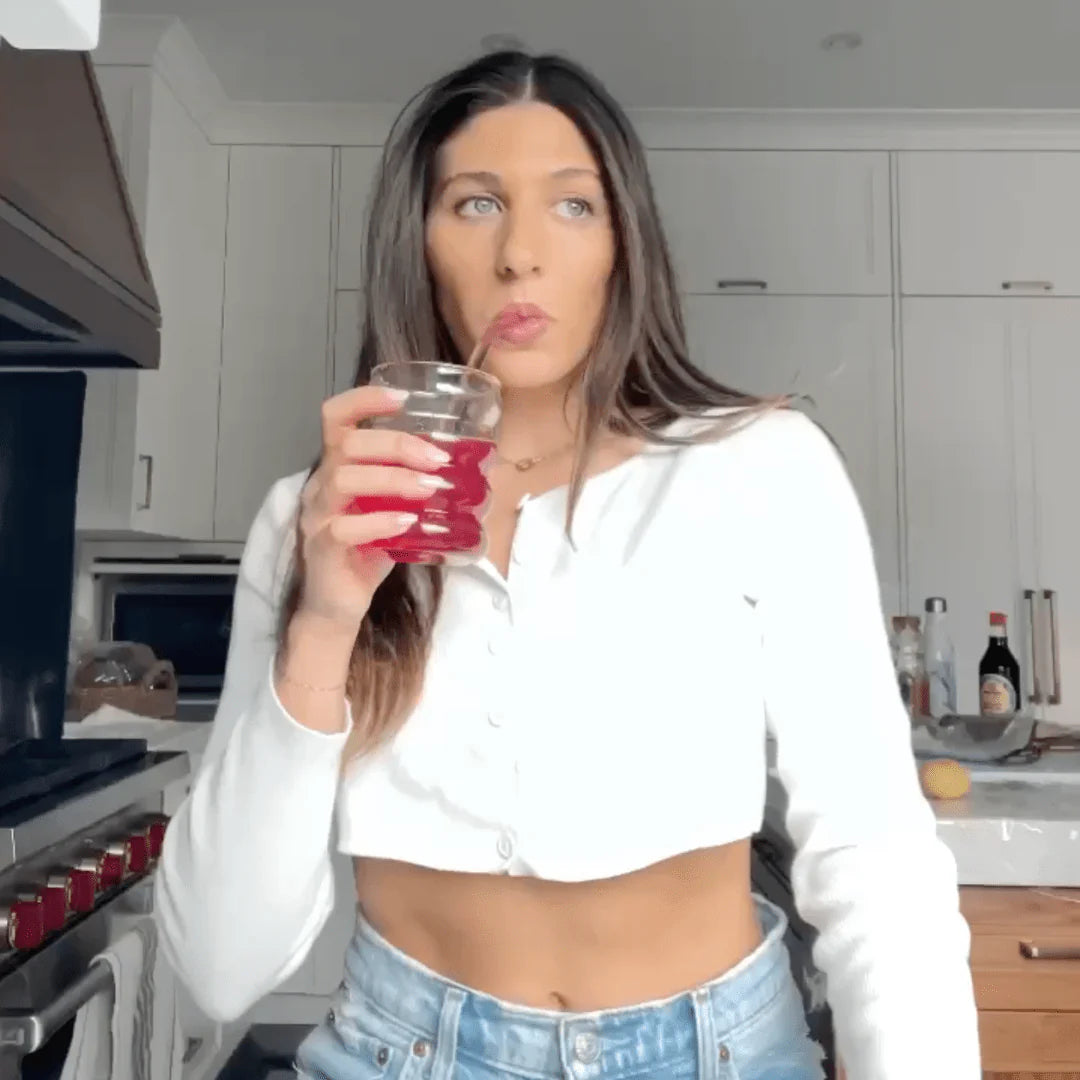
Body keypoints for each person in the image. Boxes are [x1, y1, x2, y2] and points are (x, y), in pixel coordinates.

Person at [155, 50, 980, 1080]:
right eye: (476, 204)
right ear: (418, 243)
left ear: (624, 243)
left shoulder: (764, 469)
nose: (521, 256)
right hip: (396, 1053)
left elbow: (875, 858)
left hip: (723, 1052)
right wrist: (324, 623)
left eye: (574, 206)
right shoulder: (316, 524)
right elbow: (219, 972)